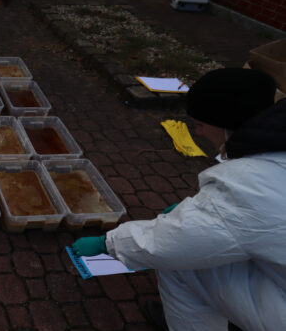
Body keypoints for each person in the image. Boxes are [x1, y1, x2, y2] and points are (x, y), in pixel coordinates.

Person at [72, 68, 286, 331]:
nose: (197, 132)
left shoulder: (252, 185)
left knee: (182, 266)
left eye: (201, 124)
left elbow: (169, 243)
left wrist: (109, 243)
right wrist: (213, 214)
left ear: (225, 124)